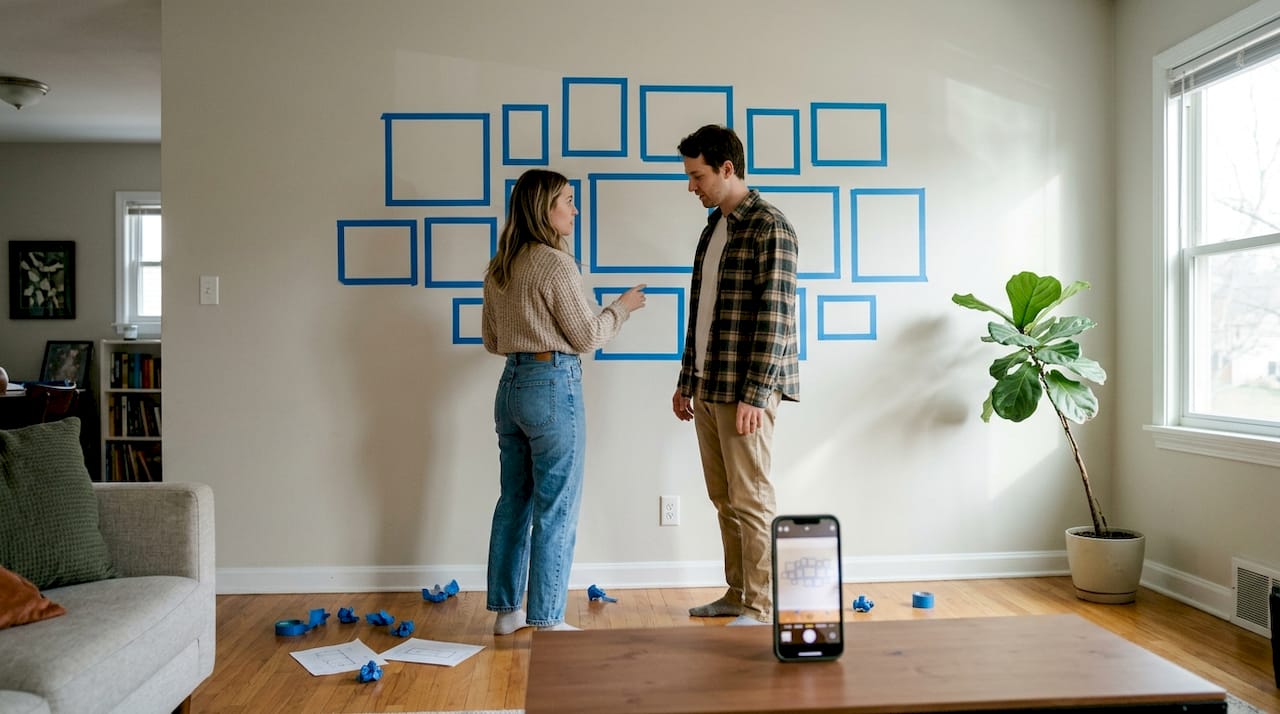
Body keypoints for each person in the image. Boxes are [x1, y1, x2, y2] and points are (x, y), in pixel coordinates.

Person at [482, 168, 646, 634]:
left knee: (514, 501)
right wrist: (622, 307)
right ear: (544, 209)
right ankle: (548, 619)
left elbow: (493, 340)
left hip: (510, 385)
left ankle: (507, 613)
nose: (575, 209)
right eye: (567, 200)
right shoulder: (555, 264)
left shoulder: (500, 266)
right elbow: (589, 334)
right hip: (553, 386)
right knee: (557, 506)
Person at [672, 124, 800, 626]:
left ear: (728, 168)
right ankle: (737, 592)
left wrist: (755, 393)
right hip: (708, 384)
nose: (691, 187)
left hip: (745, 391)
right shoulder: (714, 228)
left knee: (752, 498)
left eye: (697, 175)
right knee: (724, 498)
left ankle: (763, 605)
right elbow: (699, 312)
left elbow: (777, 320)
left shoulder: (771, 226)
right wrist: (687, 380)